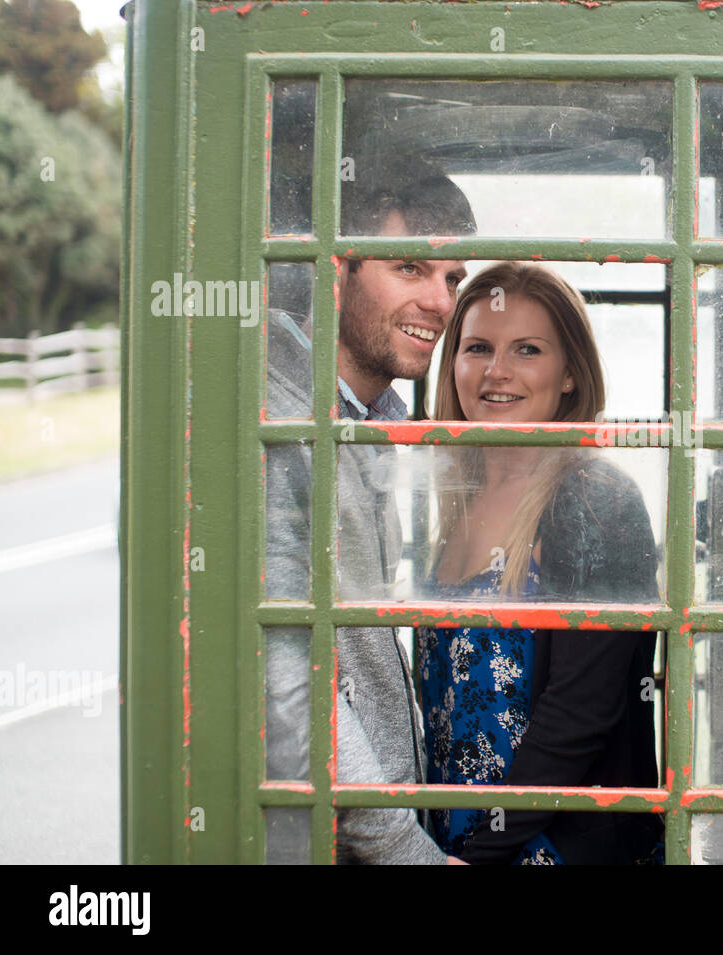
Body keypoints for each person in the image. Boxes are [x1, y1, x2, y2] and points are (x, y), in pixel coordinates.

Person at [417, 262, 664, 865]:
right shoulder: (454, 500)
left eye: (527, 350)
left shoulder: (594, 498)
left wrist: (483, 853)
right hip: (449, 844)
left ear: (571, 374)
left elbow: (584, 711)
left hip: (549, 849)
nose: (496, 372)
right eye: (477, 348)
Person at [264, 176, 474, 864]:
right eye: (409, 267)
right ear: (338, 264)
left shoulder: (373, 421)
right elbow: (285, 676)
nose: (440, 302)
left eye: (452, 276)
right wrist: (404, 850)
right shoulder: (276, 415)